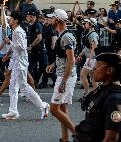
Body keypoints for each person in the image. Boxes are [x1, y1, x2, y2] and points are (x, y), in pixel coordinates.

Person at [74, 46, 121, 142]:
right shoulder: (103, 89)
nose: (94, 68)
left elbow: (111, 139)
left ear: (109, 70)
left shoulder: (116, 99)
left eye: (98, 65)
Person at [2, 11, 50, 120]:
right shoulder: (16, 31)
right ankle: (13, 111)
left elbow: (22, 47)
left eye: (11, 18)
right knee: (13, 87)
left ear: (16, 20)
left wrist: (9, 42)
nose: (9, 20)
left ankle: (43, 106)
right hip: (16, 62)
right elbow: (16, 47)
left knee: (23, 87)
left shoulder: (18, 31)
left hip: (21, 63)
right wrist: (8, 54)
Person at [45, 9, 77, 142]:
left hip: (65, 76)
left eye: (52, 18)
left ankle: (78, 134)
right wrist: (53, 64)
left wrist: (63, 81)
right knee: (63, 109)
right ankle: (65, 139)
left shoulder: (65, 37)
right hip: (65, 74)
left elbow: (71, 60)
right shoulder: (63, 35)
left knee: (54, 109)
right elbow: (64, 57)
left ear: (57, 20)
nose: (49, 20)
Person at [77, 18, 99, 96]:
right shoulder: (88, 33)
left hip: (92, 58)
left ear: (91, 25)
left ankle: (86, 94)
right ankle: (96, 94)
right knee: (93, 77)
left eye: (86, 23)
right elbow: (86, 48)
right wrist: (80, 55)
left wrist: (89, 59)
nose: (84, 24)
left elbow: (94, 47)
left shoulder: (93, 34)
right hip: (90, 58)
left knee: (82, 75)